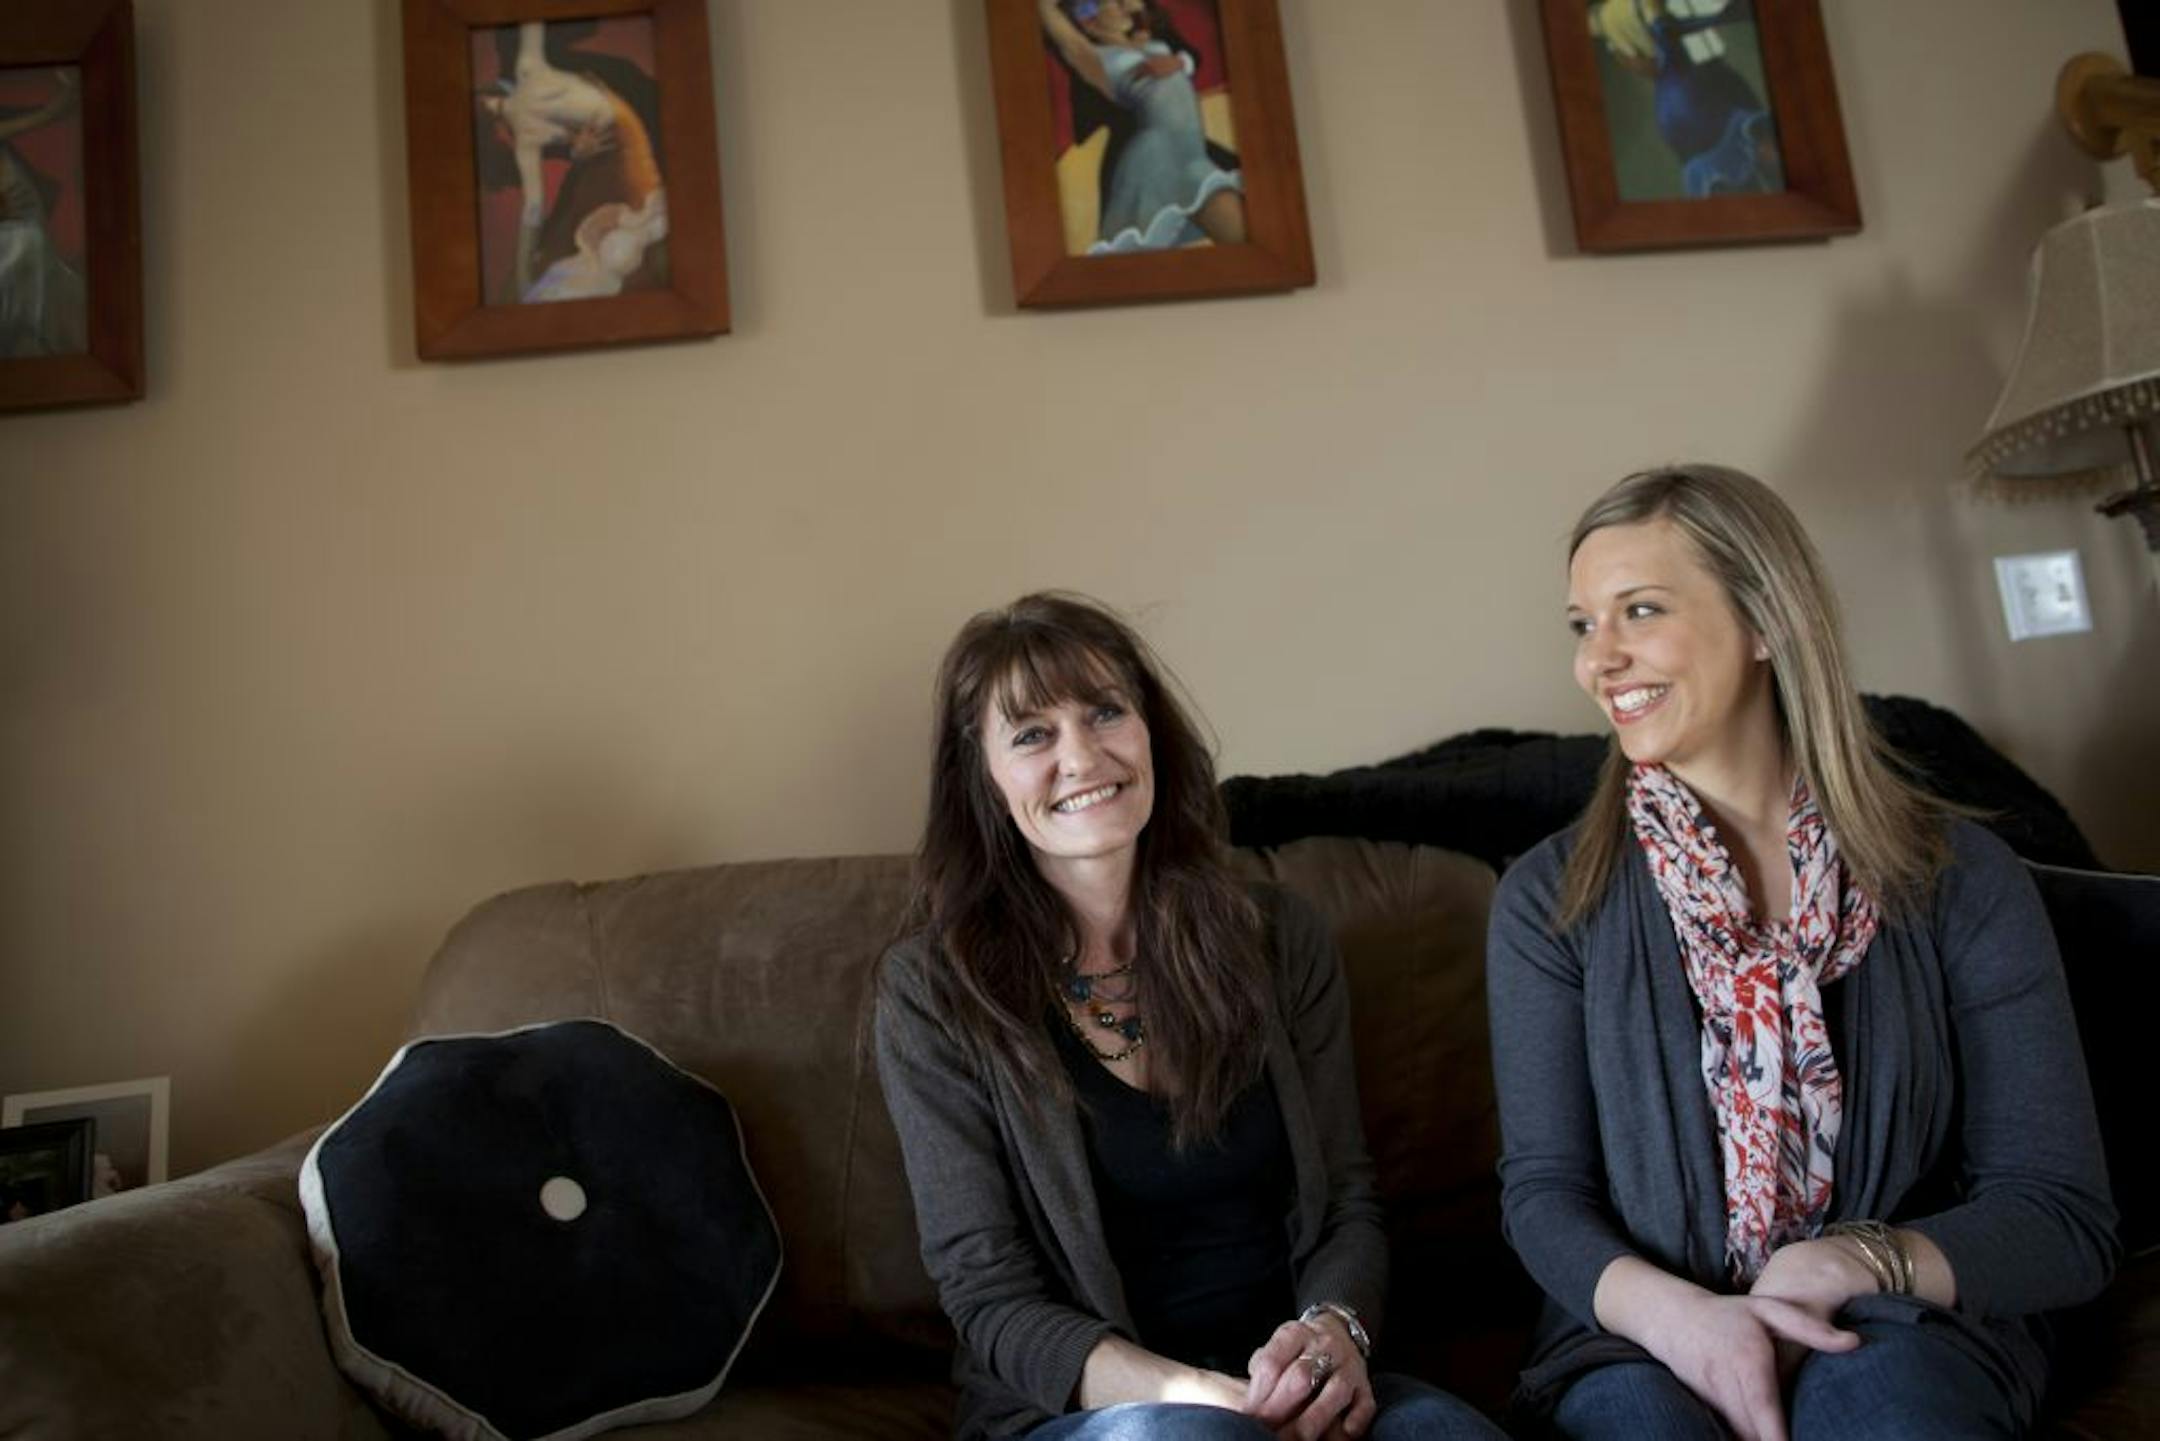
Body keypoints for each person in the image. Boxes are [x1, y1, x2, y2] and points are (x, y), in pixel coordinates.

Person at [1486, 464, 2118, 1441]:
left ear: (1765, 621)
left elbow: (2058, 1212)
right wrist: (1685, 1322)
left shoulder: (1960, 878)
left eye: (1639, 610)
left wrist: (1851, 1262)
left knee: (1881, 1402)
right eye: (1582, 624)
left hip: (1903, 1324)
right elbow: (1543, 1196)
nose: (1597, 660)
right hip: (1639, 1337)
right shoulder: (1547, 901)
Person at [877, 593, 1506, 1440]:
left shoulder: (1279, 939)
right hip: (1098, 1414)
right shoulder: (933, 992)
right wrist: (1209, 1400)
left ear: (1150, 732)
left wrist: (1334, 1335)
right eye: (1032, 734)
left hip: (1292, 1388)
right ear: (981, 777)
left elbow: (1346, 1200)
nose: (1082, 755)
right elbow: (989, 1294)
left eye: (1106, 711)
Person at [1037, 0, 1247, 254]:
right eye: (1111, 2)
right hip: (1155, 162)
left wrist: (1178, 61)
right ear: (1088, 21)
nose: (1124, 5)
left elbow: (1142, 12)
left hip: (1191, 156)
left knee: (1243, 237)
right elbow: (1062, 32)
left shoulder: (1149, 41)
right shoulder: (1095, 60)